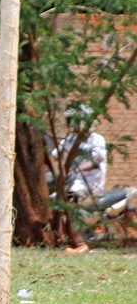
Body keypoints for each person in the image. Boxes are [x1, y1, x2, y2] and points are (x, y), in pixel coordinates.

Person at [50, 105, 107, 254]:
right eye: (69, 121)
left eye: (74, 120)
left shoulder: (96, 139)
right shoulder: (70, 140)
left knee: (71, 199)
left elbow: (97, 161)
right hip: (74, 183)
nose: (71, 124)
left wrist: (79, 168)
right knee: (54, 198)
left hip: (91, 184)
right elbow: (55, 154)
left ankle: (81, 243)